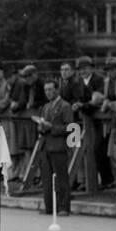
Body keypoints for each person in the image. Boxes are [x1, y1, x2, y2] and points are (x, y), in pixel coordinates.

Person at [33, 79, 73, 216]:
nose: (48, 92)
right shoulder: (45, 107)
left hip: (59, 145)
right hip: (46, 146)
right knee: (46, 179)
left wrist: (52, 127)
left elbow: (70, 127)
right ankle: (49, 206)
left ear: (57, 90)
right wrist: (41, 127)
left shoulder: (65, 106)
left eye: (50, 89)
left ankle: (63, 207)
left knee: (61, 178)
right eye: (46, 90)